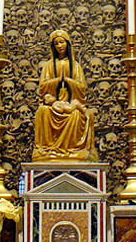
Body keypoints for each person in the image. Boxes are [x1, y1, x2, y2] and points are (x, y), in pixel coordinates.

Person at [33, 30, 97, 162]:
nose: (59, 46)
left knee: (76, 115)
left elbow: (82, 88)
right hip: (53, 104)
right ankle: (49, 149)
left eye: (62, 42)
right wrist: (57, 81)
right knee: (43, 111)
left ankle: (70, 149)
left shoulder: (76, 66)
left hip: (71, 102)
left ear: (67, 44)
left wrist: (68, 80)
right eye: (56, 43)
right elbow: (43, 87)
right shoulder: (49, 66)